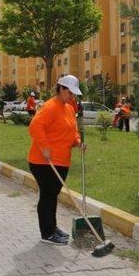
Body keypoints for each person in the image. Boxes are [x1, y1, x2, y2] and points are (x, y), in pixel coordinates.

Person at [28, 75, 85, 245]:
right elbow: (35, 127)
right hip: (43, 161)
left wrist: (78, 142)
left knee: (53, 195)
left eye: (74, 94)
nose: (72, 96)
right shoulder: (50, 107)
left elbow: (72, 130)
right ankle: (47, 233)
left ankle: (52, 227)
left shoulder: (68, 108)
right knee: (47, 195)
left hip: (61, 160)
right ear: (60, 89)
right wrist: (45, 147)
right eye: (69, 92)